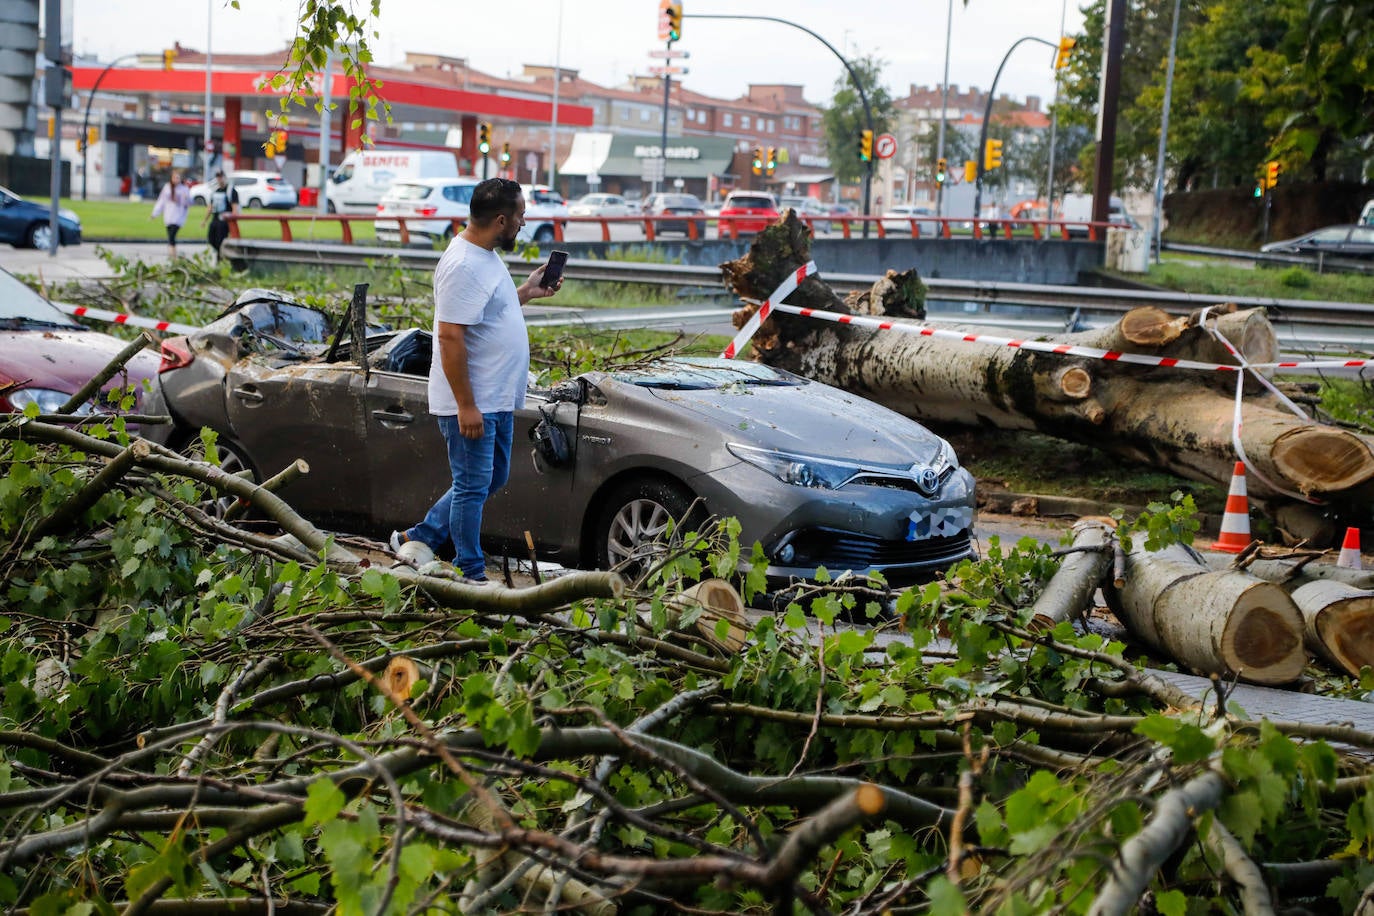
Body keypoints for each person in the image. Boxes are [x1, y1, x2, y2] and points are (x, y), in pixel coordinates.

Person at [391, 177, 562, 583]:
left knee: (492, 477)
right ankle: (471, 571)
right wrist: (466, 405)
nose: (524, 223)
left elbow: (488, 312)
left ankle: (419, 535)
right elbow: (449, 338)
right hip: (474, 399)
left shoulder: (484, 255)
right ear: (500, 220)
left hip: (495, 396)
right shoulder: (463, 265)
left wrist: (526, 292)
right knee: (472, 485)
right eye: (520, 216)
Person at [149, 171, 192, 259]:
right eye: (175, 177)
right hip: (169, 216)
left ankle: (174, 258)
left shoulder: (184, 189)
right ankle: (172, 256)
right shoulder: (167, 187)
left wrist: (184, 199)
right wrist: (155, 213)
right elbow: (161, 201)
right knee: (170, 237)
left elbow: (189, 203)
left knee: (172, 236)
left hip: (178, 216)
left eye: (178, 178)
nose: (176, 180)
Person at [202, 171, 239, 260]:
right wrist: (205, 220)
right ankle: (221, 254)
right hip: (215, 218)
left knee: (221, 240)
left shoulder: (231, 191)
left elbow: (235, 208)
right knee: (211, 239)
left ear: (224, 177)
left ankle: (221, 259)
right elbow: (210, 207)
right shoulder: (215, 191)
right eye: (218, 177)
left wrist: (233, 221)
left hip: (225, 220)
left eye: (221, 177)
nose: (219, 179)